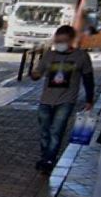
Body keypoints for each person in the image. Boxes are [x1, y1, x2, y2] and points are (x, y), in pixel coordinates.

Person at [29, 24, 94, 172]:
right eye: (57, 41)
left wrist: (90, 99)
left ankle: (49, 160)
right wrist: (34, 74)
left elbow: (88, 78)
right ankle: (45, 156)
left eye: (63, 40)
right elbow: (38, 73)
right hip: (46, 99)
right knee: (45, 131)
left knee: (56, 131)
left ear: (71, 40)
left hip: (66, 100)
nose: (59, 44)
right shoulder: (50, 55)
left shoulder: (81, 57)